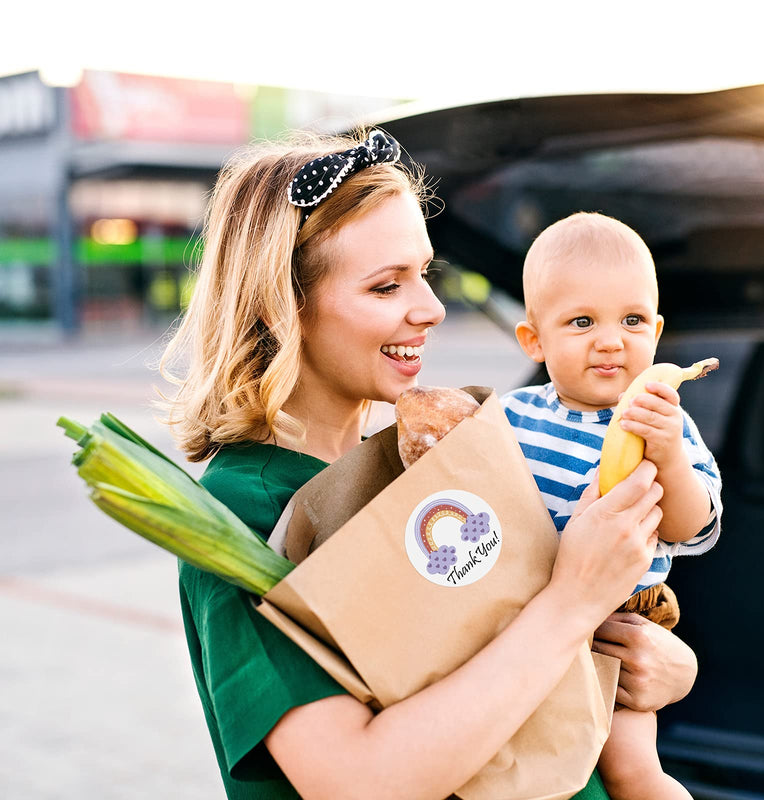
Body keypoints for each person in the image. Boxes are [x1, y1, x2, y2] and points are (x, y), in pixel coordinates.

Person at [160, 130, 699, 800]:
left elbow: (501, 649)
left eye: (425, 274)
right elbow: (356, 782)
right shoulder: (245, 512)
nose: (432, 309)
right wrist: (571, 603)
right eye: (387, 287)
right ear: (284, 306)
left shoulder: (411, 464)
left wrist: (659, 665)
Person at [501, 211, 722, 800]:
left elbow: (691, 525)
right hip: (519, 610)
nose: (610, 339)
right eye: (581, 321)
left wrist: (670, 455)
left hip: (620, 620)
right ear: (533, 340)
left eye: (631, 320)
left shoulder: (663, 423)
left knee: (630, 771)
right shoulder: (511, 416)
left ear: (655, 330)